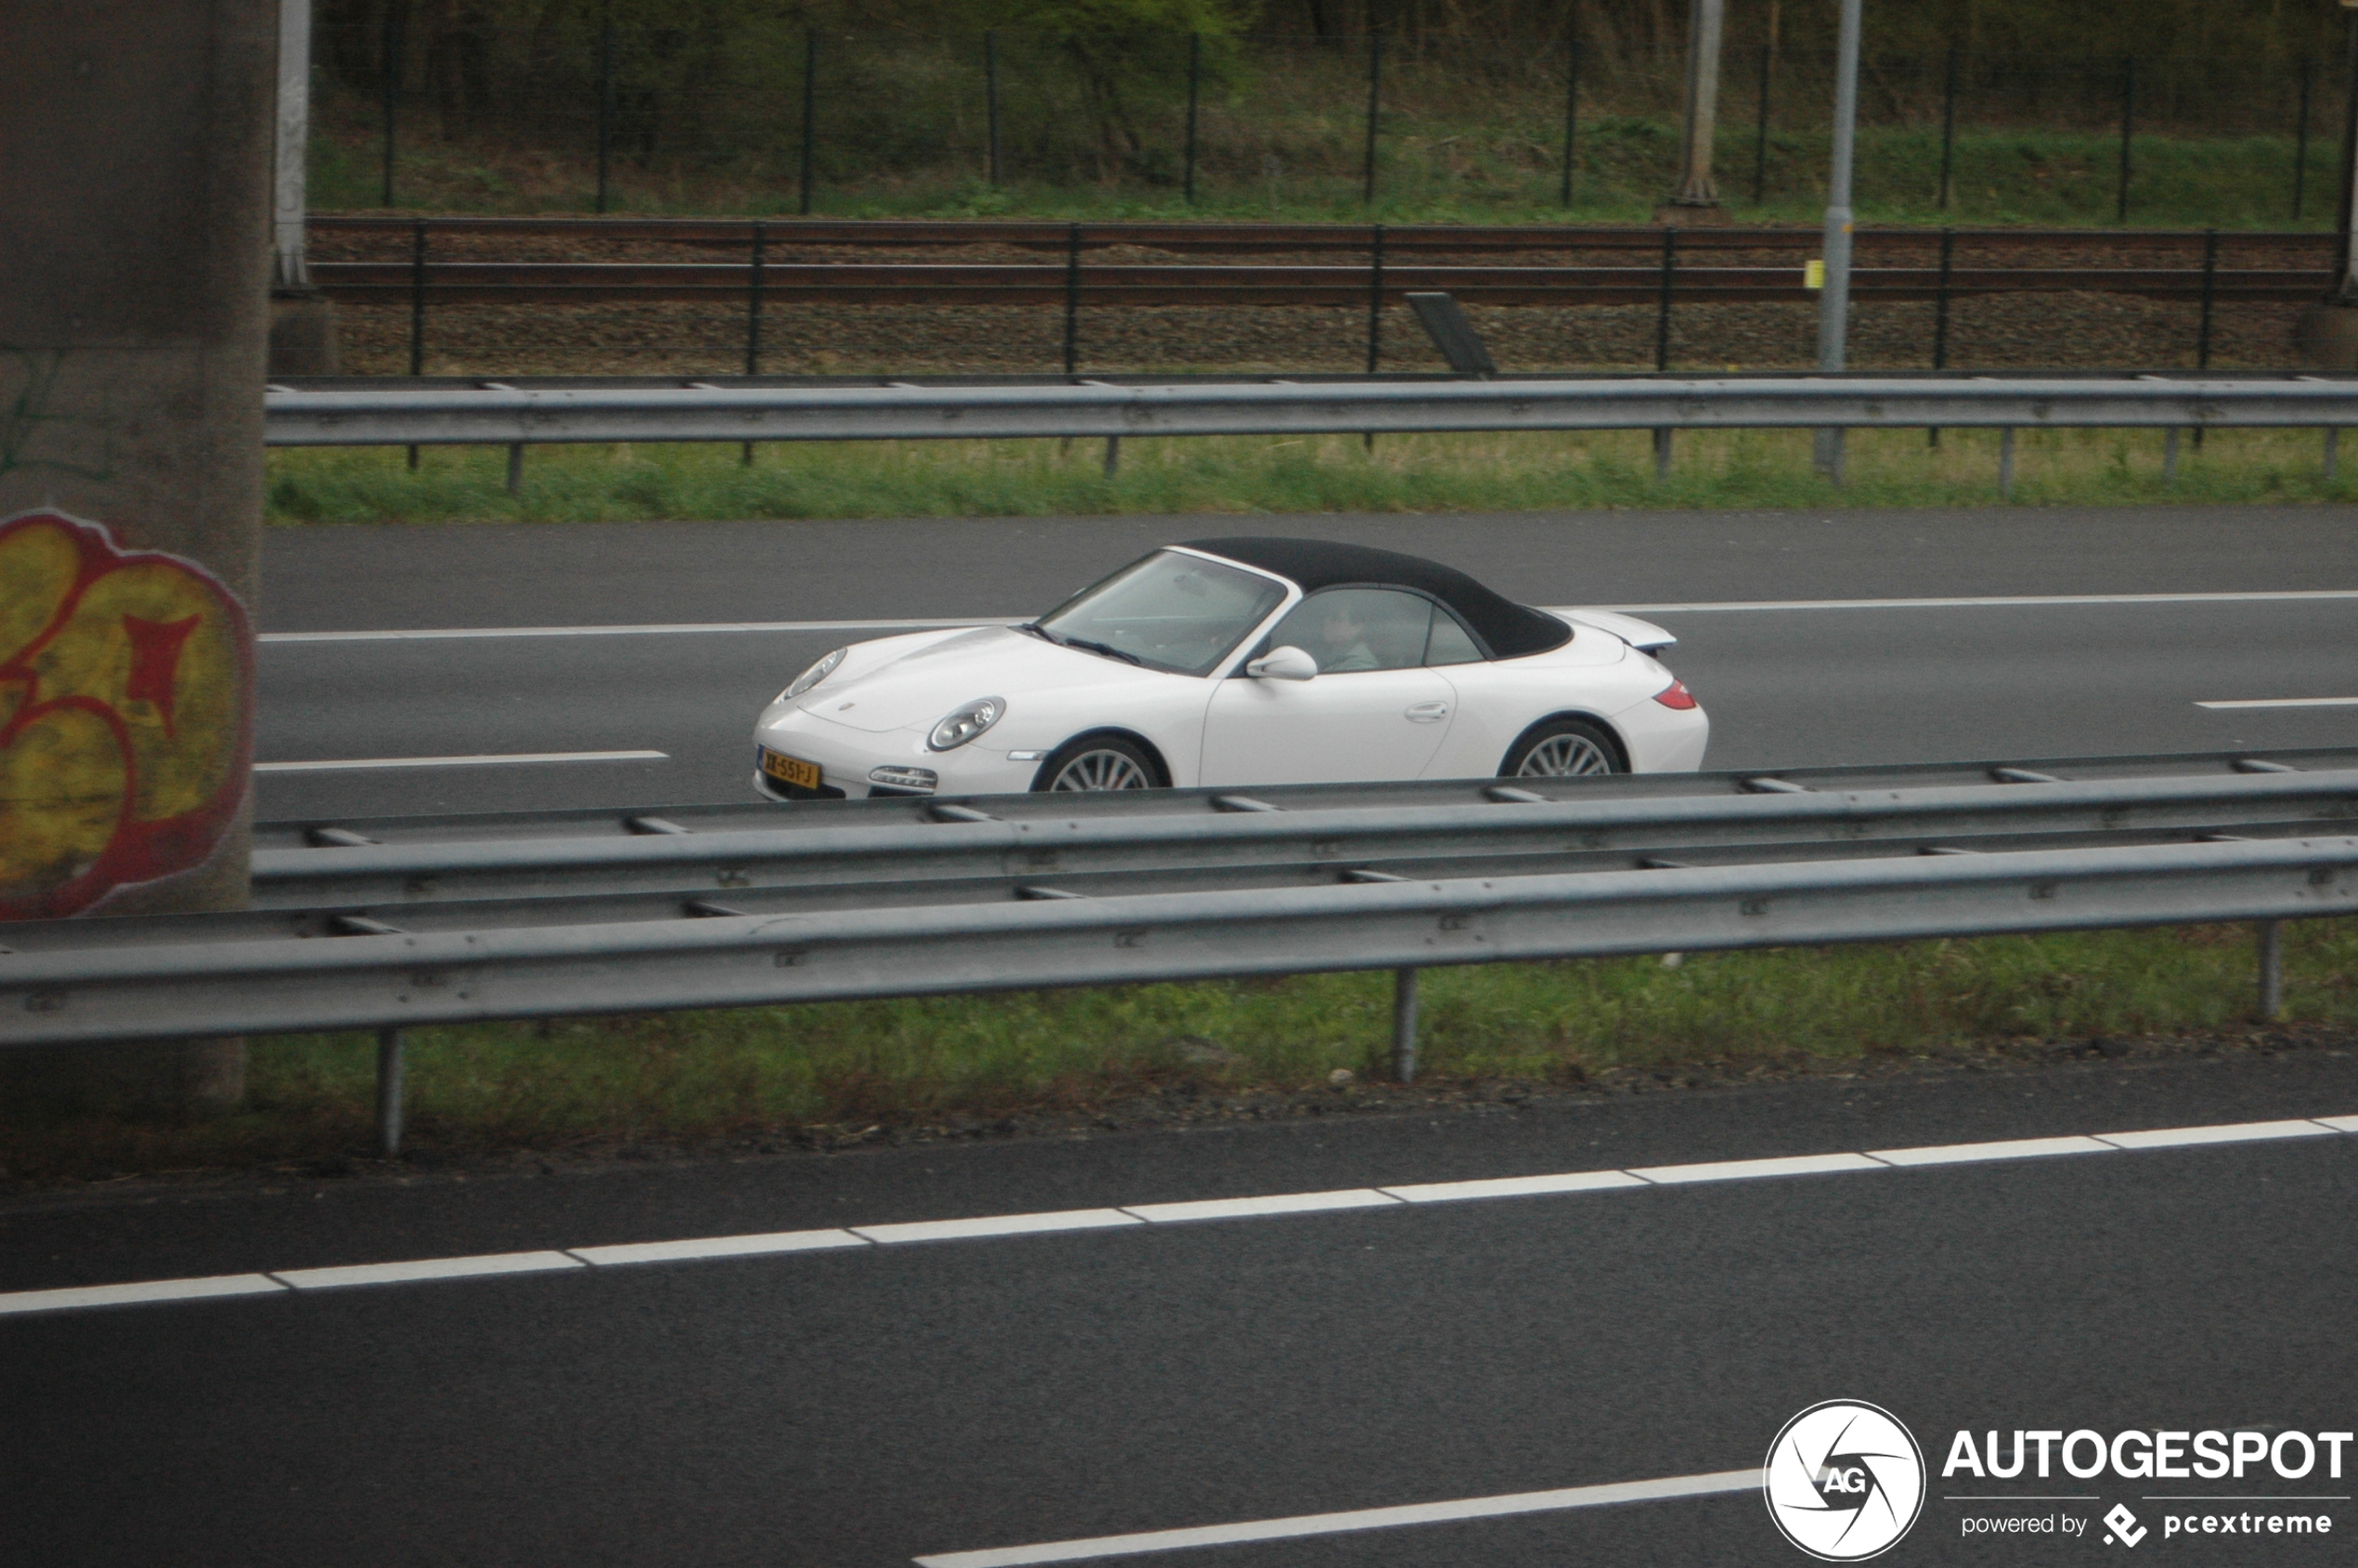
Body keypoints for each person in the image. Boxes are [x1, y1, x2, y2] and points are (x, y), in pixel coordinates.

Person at [1314, 599, 1378, 672]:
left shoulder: (1361, 665)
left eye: (1336, 618)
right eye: (1326, 617)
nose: (1326, 622)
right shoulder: (1323, 654)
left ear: (1356, 628)